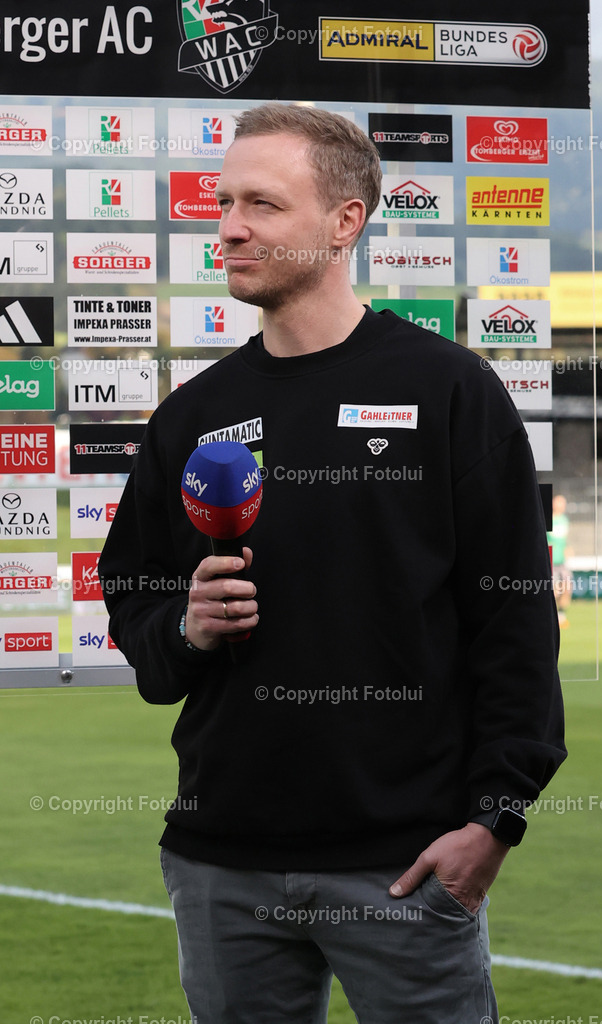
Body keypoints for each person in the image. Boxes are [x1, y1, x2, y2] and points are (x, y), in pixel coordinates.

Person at [99, 104, 566, 1024]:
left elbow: (514, 620)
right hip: (219, 861)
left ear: (344, 222)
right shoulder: (192, 413)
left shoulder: (448, 392)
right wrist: (185, 631)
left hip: (405, 864)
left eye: (262, 204)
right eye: (223, 201)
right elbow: (137, 610)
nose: (228, 224)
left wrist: (495, 819)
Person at [547, 493, 573, 628]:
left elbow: (563, 540)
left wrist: (568, 548)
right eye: (559, 502)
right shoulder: (548, 520)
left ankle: (561, 616)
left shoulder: (564, 520)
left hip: (562, 561)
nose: (562, 506)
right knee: (555, 591)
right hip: (551, 562)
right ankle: (551, 617)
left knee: (567, 588)